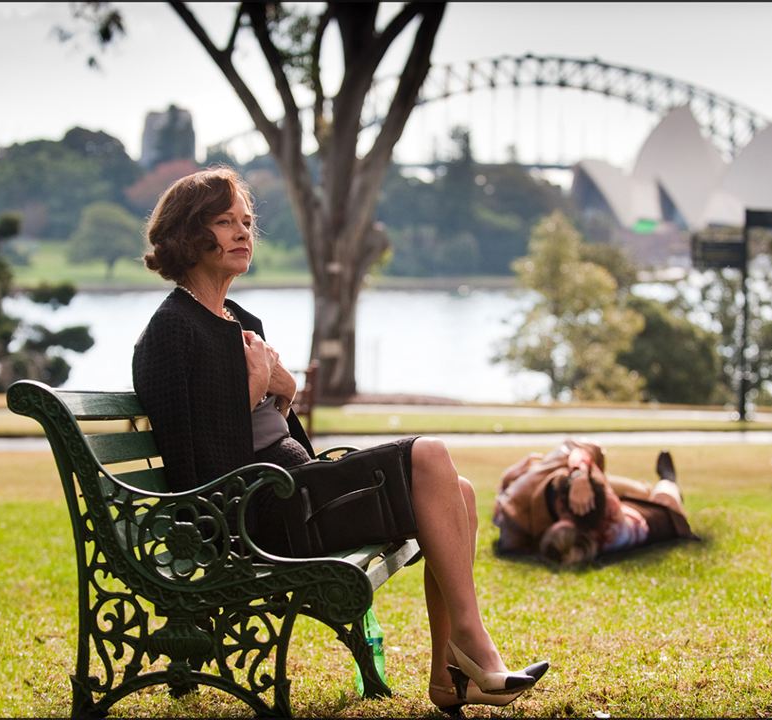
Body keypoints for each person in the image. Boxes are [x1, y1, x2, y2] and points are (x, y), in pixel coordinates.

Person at [131, 166, 547, 714]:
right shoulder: (171, 332)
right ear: (188, 234)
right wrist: (256, 385)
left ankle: (449, 680)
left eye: (247, 222)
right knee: (430, 455)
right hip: (252, 519)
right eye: (224, 221)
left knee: (459, 492)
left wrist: (285, 392)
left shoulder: (239, 320)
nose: (242, 233)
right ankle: (475, 647)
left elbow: (269, 429)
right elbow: (198, 473)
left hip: (290, 495)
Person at [493, 439, 697, 567]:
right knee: (665, 499)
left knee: (640, 491)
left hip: (589, 482)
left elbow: (585, 447)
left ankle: (642, 489)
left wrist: (581, 474)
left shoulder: (574, 472)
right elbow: (504, 523)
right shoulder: (517, 512)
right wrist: (506, 479)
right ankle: (668, 481)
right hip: (598, 497)